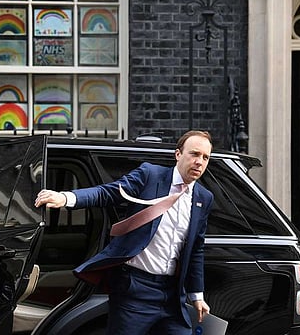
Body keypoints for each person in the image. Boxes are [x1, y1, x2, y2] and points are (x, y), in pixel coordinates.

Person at [35, 130, 213, 335]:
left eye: (205, 157)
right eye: (194, 154)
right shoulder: (150, 175)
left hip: (173, 296)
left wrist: (197, 295)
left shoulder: (203, 197)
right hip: (135, 289)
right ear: (178, 154)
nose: (200, 161)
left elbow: (196, 248)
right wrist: (66, 198)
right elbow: (109, 192)